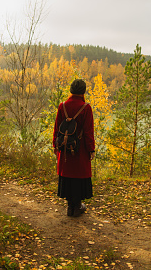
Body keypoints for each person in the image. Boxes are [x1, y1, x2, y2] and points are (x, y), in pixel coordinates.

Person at [53, 79, 95, 217]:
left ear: (71, 91)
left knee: (67, 176)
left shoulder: (62, 106)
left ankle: (70, 206)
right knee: (78, 176)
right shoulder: (86, 107)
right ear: (83, 91)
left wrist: (55, 145)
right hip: (80, 149)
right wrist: (91, 149)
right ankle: (77, 207)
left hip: (64, 148)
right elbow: (88, 132)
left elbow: (57, 128)